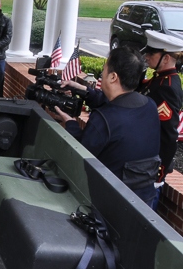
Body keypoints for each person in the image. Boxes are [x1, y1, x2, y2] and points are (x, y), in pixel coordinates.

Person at [53, 47, 160, 206]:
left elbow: (80, 154)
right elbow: (117, 103)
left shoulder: (104, 120)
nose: (101, 75)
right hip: (145, 200)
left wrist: (70, 123)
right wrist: (83, 90)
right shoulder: (149, 105)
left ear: (113, 77)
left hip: (112, 205)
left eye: (104, 70)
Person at [139, 31, 183, 188]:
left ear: (166, 58)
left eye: (151, 54)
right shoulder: (159, 79)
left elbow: (168, 135)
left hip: (150, 168)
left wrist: (159, 172)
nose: (146, 57)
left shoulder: (167, 87)